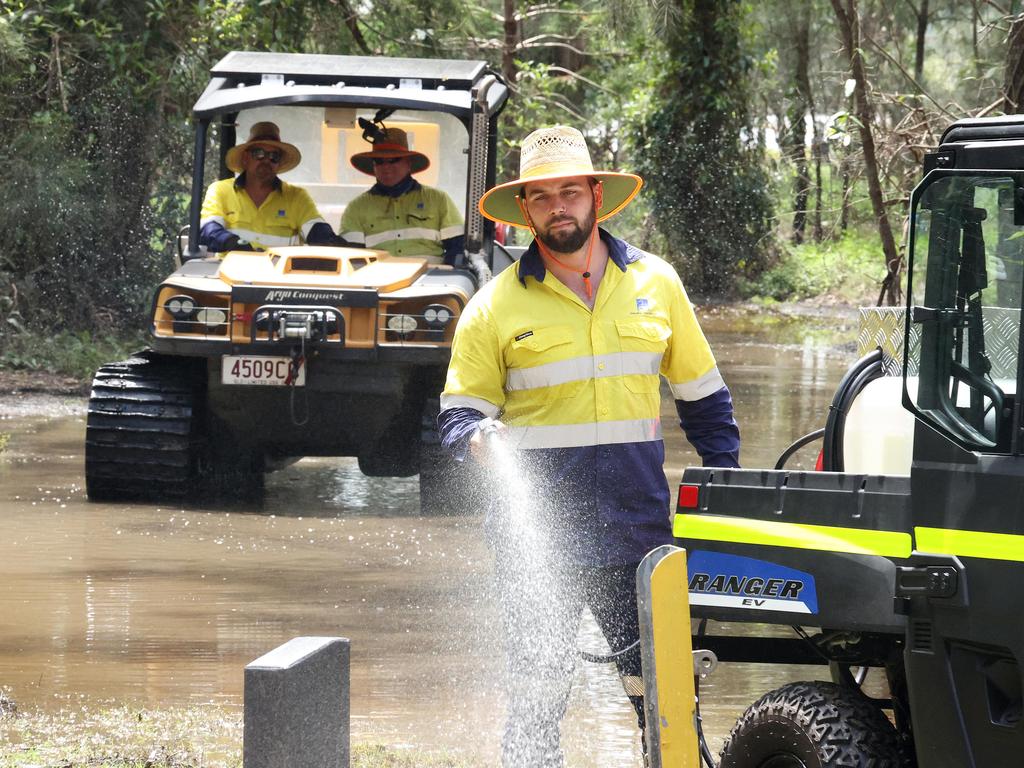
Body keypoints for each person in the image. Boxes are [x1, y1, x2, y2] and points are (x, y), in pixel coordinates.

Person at [437, 125, 740, 767]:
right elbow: (459, 416)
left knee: (663, 698)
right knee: (537, 698)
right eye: (541, 197)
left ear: (597, 195)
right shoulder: (491, 308)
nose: (558, 207)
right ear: (525, 210)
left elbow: (705, 402)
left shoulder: (657, 284)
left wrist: (727, 489)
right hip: (538, 542)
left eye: (570, 191)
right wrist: (480, 439)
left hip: (640, 535)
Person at [199, 122, 339, 253]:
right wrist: (234, 244)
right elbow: (209, 230)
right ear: (246, 158)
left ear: (279, 163)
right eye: (259, 154)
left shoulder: (297, 197)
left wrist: (338, 243)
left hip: (280, 277)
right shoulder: (220, 191)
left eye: (274, 156)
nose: (266, 160)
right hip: (229, 275)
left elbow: (317, 230)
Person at [341, 127, 465, 264]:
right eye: (379, 161)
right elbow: (351, 258)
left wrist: (446, 279)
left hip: (431, 281)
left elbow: (458, 250)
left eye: (394, 160)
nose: (386, 167)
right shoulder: (356, 208)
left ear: (408, 163)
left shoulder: (438, 200)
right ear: (374, 167)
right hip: (378, 282)